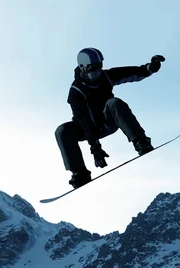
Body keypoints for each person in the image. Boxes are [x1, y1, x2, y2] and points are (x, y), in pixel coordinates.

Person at [55, 48, 165, 188]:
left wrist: (150, 68)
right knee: (62, 131)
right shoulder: (75, 92)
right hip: (87, 130)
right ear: (83, 68)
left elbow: (131, 73)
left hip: (107, 123)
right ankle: (79, 173)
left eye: (99, 66)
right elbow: (84, 122)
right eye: (93, 68)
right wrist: (95, 148)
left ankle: (141, 143)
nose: (97, 71)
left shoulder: (105, 77)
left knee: (114, 103)